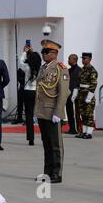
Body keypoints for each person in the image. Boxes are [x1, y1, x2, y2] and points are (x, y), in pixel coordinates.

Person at [34, 40, 70, 183]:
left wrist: (58, 112)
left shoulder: (61, 68)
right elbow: (40, 90)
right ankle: (47, 172)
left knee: (55, 145)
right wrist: (36, 112)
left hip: (52, 112)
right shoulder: (44, 68)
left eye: (46, 52)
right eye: (43, 52)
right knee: (46, 143)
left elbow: (63, 93)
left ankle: (56, 173)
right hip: (42, 111)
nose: (43, 54)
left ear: (54, 54)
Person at [18, 45, 42, 145]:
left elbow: (20, 62)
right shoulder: (41, 69)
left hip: (28, 91)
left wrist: (25, 52)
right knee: (40, 115)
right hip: (37, 92)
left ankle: (31, 138)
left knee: (29, 115)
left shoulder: (27, 68)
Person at [72, 53, 98, 139]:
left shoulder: (92, 70)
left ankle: (89, 133)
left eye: (85, 59)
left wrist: (89, 97)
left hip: (88, 95)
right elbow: (77, 82)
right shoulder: (81, 69)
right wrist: (75, 93)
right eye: (82, 59)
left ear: (90, 59)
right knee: (82, 114)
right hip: (81, 95)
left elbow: (93, 84)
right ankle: (84, 132)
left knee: (89, 114)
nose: (83, 60)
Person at [65, 54, 81, 134]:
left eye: (69, 59)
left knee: (77, 112)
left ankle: (79, 129)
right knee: (69, 112)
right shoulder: (68, 70)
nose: (68, 60)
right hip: (68, 94)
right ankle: (72, 129)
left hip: (77, 95)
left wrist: (76, 92)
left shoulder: (80, 70)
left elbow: (80, 83)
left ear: (74, 60)